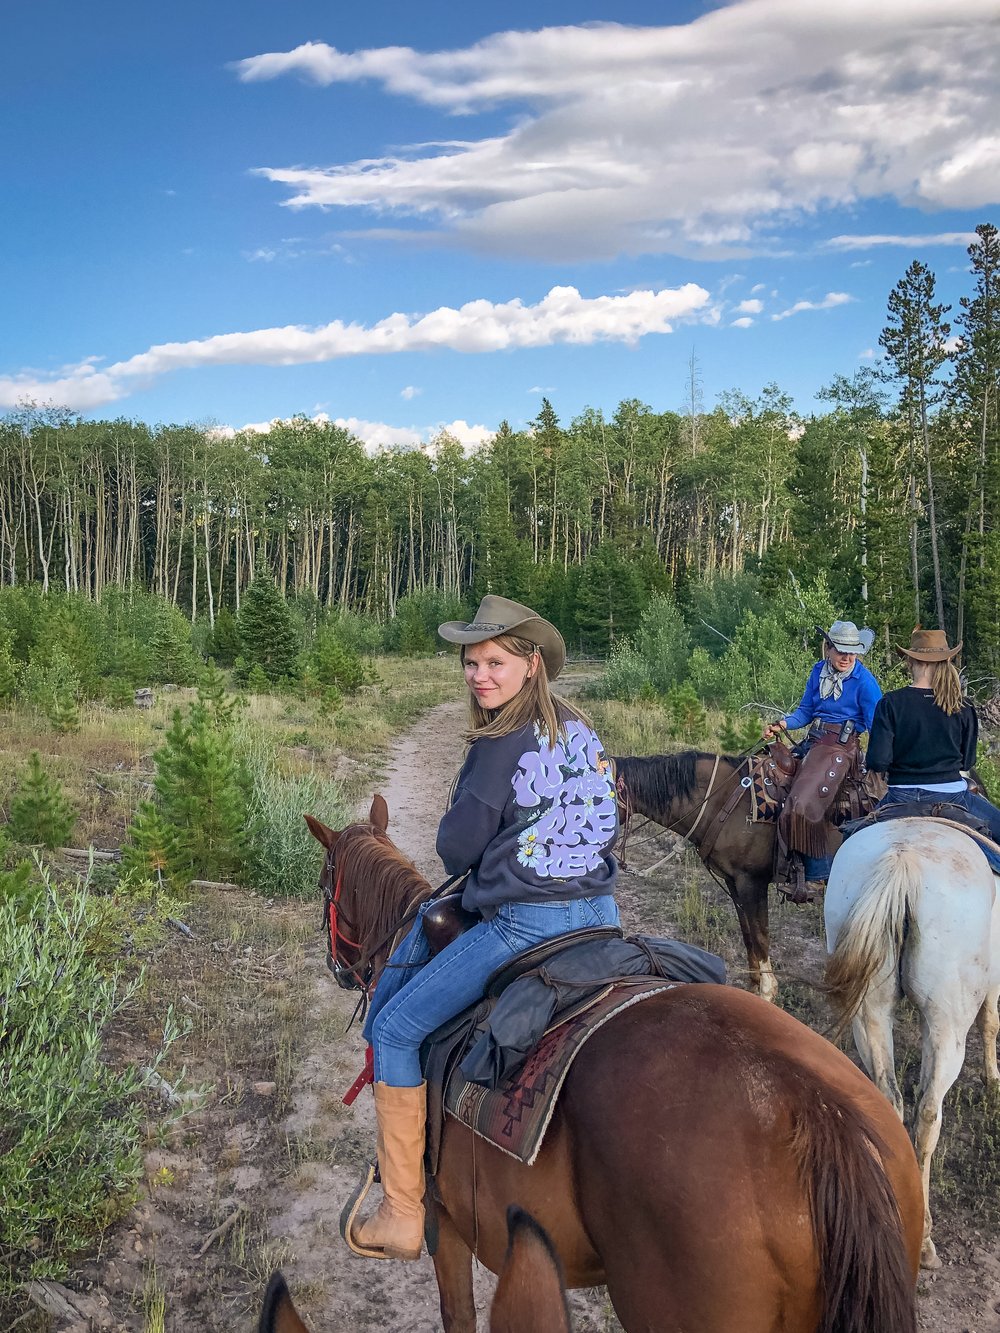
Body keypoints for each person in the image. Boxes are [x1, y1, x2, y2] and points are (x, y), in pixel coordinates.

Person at [351, 595, 620, 1262]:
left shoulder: (499, 741)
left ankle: (403, 1211)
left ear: (531, 665)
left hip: (526, 923)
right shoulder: (580, 731)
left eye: (495, 661)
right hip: (603, 916)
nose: (480, 675)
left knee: (393, 1027)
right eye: (471, 663)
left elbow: (458, 850)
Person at [763, 620, 882, 894]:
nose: (846, 657)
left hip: (842, 749)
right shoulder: (818, 672)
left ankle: (818, 875)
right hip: (814, 742)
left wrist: (881, 761)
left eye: (852, 651)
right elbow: (805, 711)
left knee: (802, 802)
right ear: (828, 648)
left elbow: (877, 724)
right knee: (769, 772)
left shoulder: (864, 682)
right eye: (841, 650)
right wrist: (783, 723)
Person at [866, 627, 1000, 841]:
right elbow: (967, 763)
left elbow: (878, 762)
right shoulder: (963, 706)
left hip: (900, 796)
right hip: (953, 797)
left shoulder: (890, 703)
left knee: (852, 840)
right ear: (945, 661)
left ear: (912, 662)